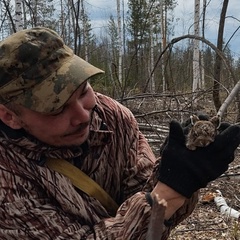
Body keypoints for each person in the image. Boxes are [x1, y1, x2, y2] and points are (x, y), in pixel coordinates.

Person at [0, 27, 239, 240]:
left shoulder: (111, 117)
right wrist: (169, 192)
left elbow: (148, 198)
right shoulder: (6, 181)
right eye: (56, 108)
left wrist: (175, 173)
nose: (84, 116)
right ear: (9, 116)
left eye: (83, 91)